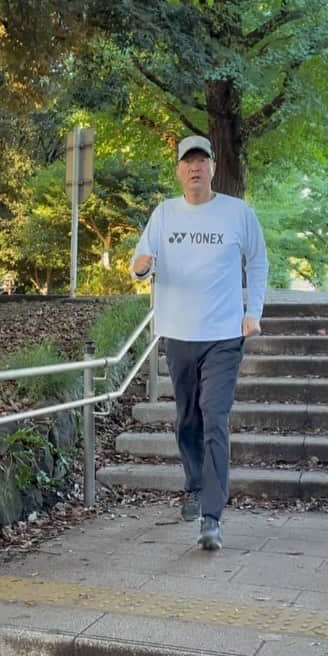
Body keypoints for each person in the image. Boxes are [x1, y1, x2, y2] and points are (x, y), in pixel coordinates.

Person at [132, 135, 268, 551]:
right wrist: (140, 267)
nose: (195, 168)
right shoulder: (163, 214)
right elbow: (140, 263)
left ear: (212, 168)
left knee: (214, 416)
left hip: (225, 335)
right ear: (178, 171)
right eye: (187, 161)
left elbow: (258, 260)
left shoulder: (237, 213)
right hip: (178, 333)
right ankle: (194, 484)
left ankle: (211, 515)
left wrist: (253, 312)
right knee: (187, 419)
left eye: (202, 161)